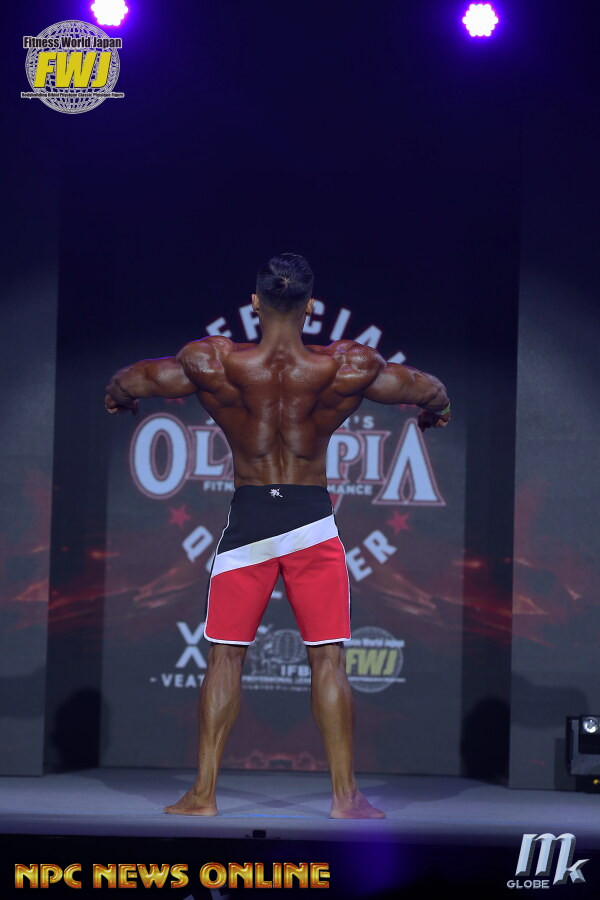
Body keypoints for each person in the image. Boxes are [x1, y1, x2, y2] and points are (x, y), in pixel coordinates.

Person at [104, 253, 451, 819]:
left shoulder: (212, 361)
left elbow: (131, 379)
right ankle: (345, 798)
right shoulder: (347, 367)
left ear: (255, 303)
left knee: (224, 657)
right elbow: (427, 388)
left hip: (249, 522)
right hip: (311, 520)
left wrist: (120, 397)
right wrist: (436, 411)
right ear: (311, 307)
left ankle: (204, 794)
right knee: (329, 660)